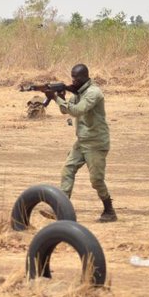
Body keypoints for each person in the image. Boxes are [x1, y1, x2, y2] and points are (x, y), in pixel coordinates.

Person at [44, 63, 117, 222]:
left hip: (96, 143)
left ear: (85, 77)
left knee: (96, 180)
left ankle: (109, 211)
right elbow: (66, 110)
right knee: (67, 170)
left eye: (76, 78)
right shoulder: (78, 92)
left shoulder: (93, 93)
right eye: (72, 78)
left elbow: (77, 111)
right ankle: (60, 208)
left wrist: (55, 98)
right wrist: (61, 98)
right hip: (82, 141)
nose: (74, 81)